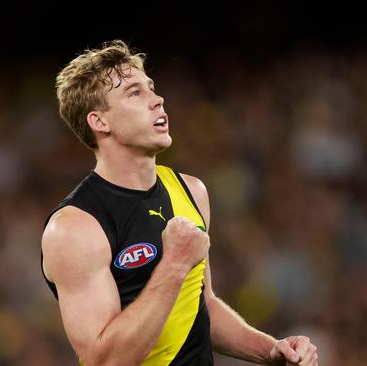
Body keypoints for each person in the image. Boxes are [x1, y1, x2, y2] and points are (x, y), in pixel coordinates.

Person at [40, 40, 319, 366]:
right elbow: (106, 361)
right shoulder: (75, 226)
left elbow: (202, 306)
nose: (157, 100)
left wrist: (270, 349)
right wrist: (173, 264)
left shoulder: (191, 190)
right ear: (100, 122)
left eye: (151, 89)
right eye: (134, 93)